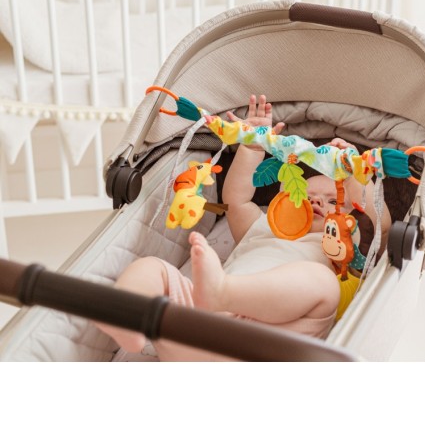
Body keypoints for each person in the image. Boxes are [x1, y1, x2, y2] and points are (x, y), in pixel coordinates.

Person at [95, 95, 391, 360]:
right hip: (201, 328)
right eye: (303, 194)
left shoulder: (340, 246)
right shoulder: (262, 226)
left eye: (333, 201)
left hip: (272, 338)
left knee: (323, 282)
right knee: (153, 268)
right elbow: (236, 199)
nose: (315, 202)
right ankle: (128, 318)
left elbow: (380, 223)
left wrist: (355, 174)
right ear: (278, 202)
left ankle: (223, 290)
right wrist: (251, 146)